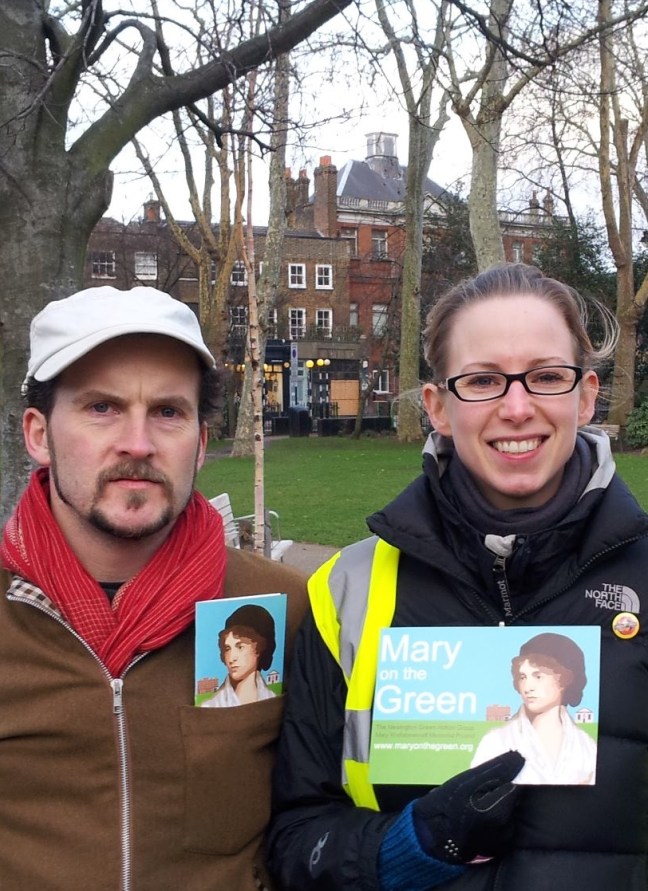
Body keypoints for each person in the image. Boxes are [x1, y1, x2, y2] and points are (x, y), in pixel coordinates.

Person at [0, 284, 308, 890]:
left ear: (201, 443)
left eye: (168, 412)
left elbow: (313, 828)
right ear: (38, 434)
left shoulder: (287, 612)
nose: (138, 443)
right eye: (101, 407)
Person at [267, 262, 648, 890]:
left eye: (546, 376)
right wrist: (404, 847)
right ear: (438, 407)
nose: (517, 408)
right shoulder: (346, 591)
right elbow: (294, 840)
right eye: (483, 380)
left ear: (584, 396)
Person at [471, 632, 596, 785]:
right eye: (523, 677)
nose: (527, 687)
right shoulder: (496, 741)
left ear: (564, 679)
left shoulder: (586, 746)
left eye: (538, 676)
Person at [205, 603, 279, 708]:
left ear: (259, 648)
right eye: (227, 649)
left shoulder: (272, 696)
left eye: (240, 647)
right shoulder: (210, 705)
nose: (231, 658)